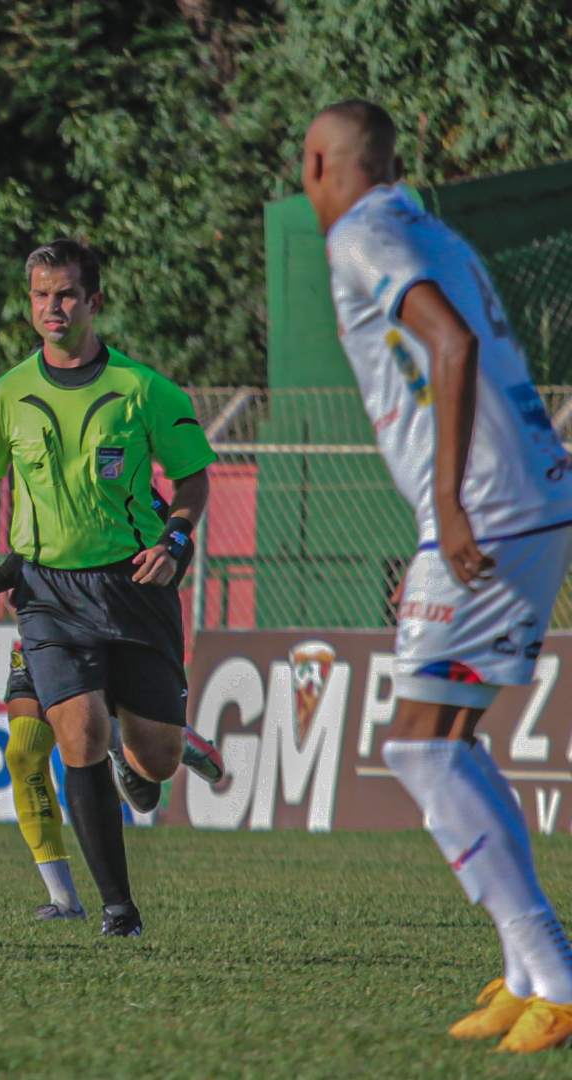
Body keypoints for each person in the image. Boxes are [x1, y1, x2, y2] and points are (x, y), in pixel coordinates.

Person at [303, 100, 572, 1053]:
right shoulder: (431, 228)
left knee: (418, 745)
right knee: (448, 735)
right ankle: (527, 972)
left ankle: (556, 968)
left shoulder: (362, 235)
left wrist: (449, 506)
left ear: (327, 162)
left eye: (308, 163)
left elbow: (450, 346)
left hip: (485, 510)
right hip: (535, 495)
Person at [0, 238, 216, 938]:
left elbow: (192, 478)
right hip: (49, 594)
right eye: (41, 295)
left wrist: (177, 538)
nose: (53, 307)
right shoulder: (6, 394)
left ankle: (151, 747)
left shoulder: (145, 391)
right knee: (79, 733)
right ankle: (118, 910)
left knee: (153, 760)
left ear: (94, 301)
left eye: (66, 294)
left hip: (135, 585)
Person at [0, 541, 226, 923]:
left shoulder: (128, 487)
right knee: (23, 752)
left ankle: (131, 736)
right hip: (43, 626)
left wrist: (155, 580)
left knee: (144, 765)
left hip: (112, 624)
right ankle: (63, 899)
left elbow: (178, 535)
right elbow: (27, 555)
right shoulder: (34, 488)